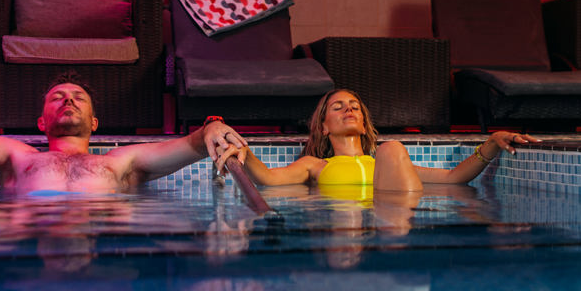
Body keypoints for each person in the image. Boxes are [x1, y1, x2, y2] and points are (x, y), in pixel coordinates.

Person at [0, 73, 247, 193]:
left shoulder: (120, 162)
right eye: (58, 98)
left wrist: (212, 127)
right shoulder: (19, 157)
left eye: (79, 98)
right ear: (41, 122)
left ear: (94, 123)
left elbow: (192, 142)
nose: (69, 100)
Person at [217, 88, 535, 192]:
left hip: (397, 215)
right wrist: (242, 149)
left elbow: (453, 179)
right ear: (324, 127)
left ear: (365, 121)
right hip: (354, 226)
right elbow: (270, 181)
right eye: (338, 107)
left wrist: (491, 144)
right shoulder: (315, 165)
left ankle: (398, 242)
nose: (349, 110)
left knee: (393, 148)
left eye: (354, 106)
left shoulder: (386, 161)